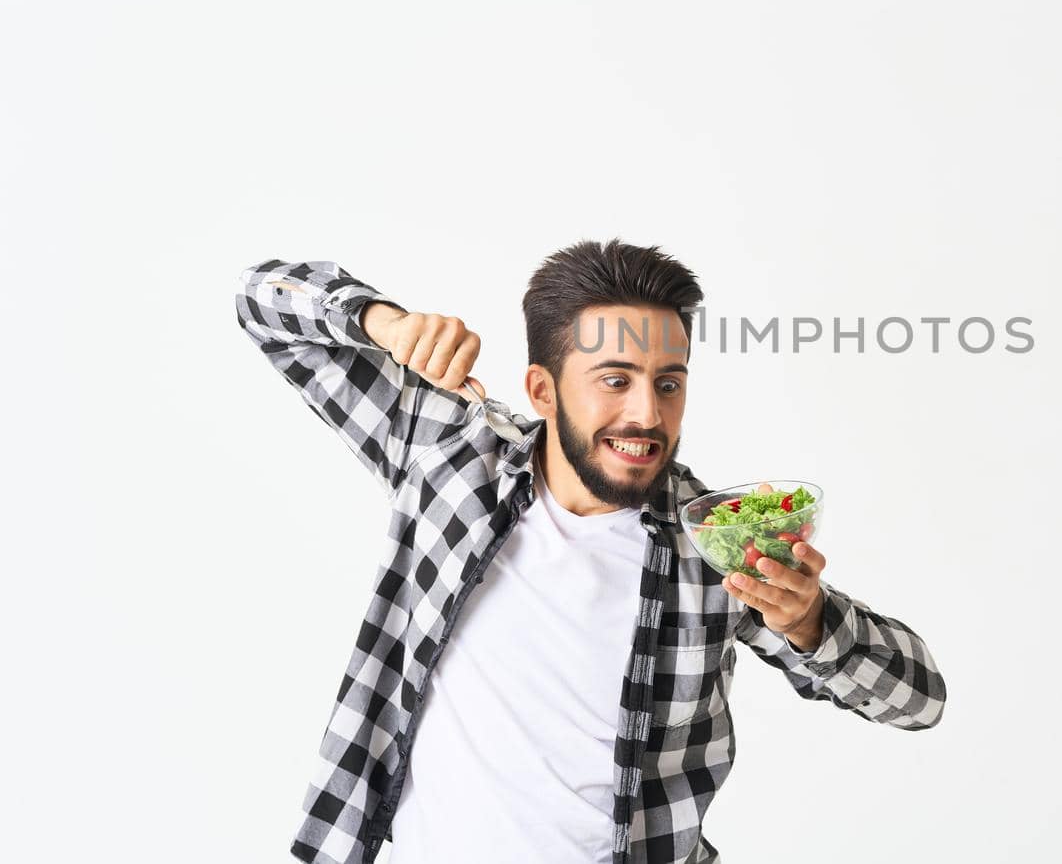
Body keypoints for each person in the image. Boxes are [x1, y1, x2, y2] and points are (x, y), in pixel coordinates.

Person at [234, 239, 946, 864]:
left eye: (668, 383)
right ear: (542, 389)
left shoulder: (716, 542)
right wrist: (383, 322)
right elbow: (261, 298)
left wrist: (811, 621)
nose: (647, 413)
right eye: (614, 379)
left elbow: (919, 701)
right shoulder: (447, 455)